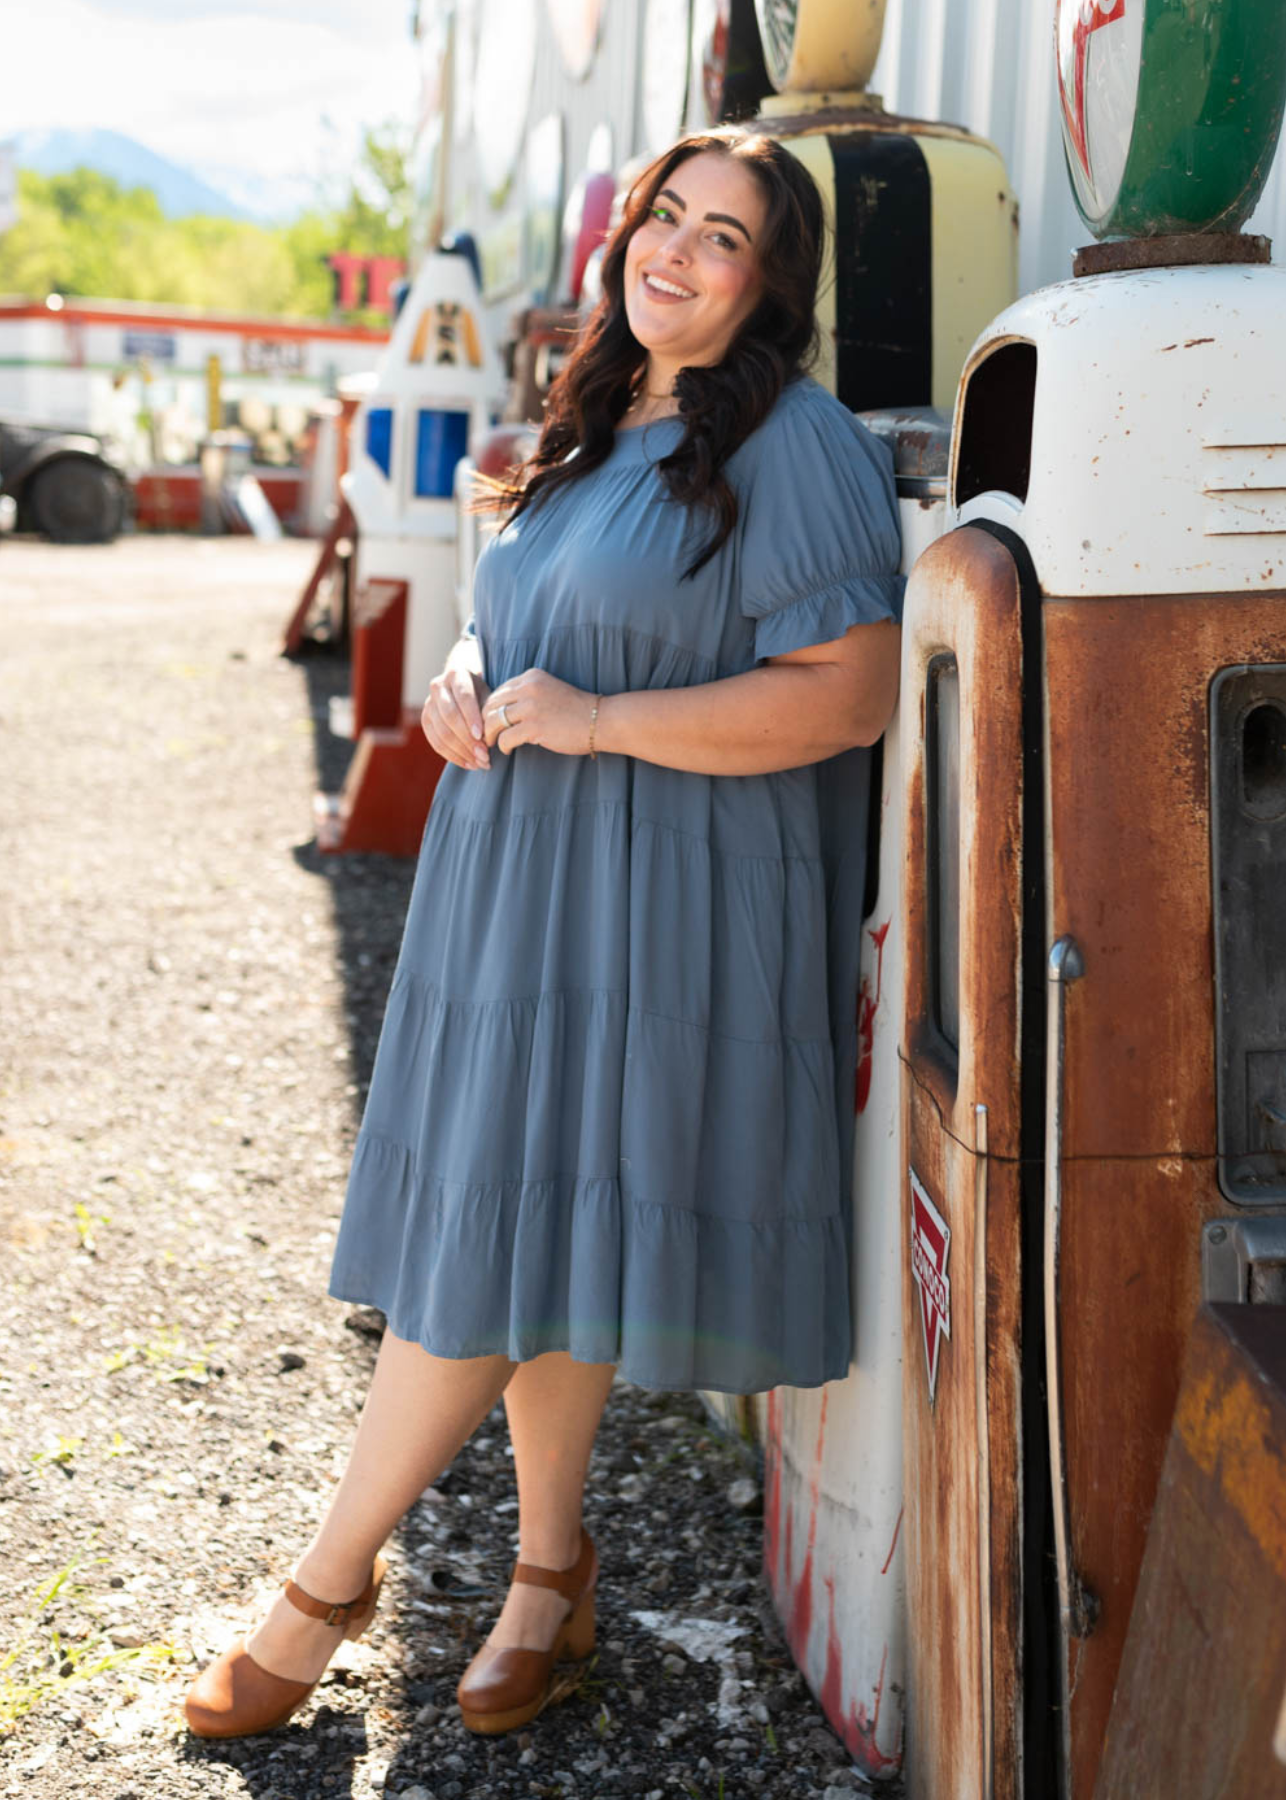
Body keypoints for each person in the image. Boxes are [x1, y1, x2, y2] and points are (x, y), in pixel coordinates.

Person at [184, 123, 904, 1744]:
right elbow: (533, 635)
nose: (677, 251)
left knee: (481, 1249)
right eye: (666, 216)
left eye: (723, 237)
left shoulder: (792, 444)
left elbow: (845, 694)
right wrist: (462, 680)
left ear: (766, 284)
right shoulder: (596, 422)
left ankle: (323, 1585)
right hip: (517, 882)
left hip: (650, 898)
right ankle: (547, 1572)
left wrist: (595, 721)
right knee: (536, 1228)